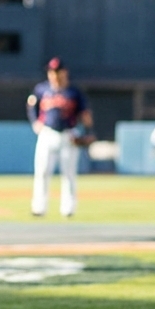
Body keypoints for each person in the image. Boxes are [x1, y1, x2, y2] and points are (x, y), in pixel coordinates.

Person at [26, 57, 93, 217]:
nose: (54, 74)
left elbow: (85, 114)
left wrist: (88, 131)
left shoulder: (74, 92)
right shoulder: (41, 89)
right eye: (51, 71)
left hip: (68, 134)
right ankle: (39, 207)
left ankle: (68, 208)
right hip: (47, 133)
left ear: (65, 72)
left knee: (68, 173)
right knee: (42, 171)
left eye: (57, 71)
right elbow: (31, 105)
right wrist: (35, 122)